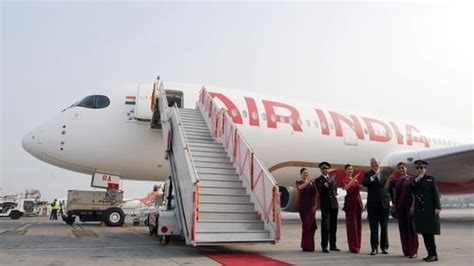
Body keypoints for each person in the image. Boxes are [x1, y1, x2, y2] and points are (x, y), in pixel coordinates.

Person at [411, 160, 441, 262]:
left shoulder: (430, 179)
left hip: (429, 209)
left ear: (425, 169)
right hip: (420, 210)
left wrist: (437, 207)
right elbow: (411, 190)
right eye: (418, 168)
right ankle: (431, 254)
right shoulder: (415, 180)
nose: (420, 170)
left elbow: (435, 194)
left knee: (429, 233)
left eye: (422, 168)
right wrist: (417, 180)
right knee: (424, 233)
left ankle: (433, 254)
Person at [388, 162, 418, 258]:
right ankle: (406, 251)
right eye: (399, 168)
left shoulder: (411, 179)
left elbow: (415, 194)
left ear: (406, 169)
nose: (401, 169)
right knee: (403, 229)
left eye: (403, 168)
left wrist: (413, 206)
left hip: (409, 207)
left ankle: (413, 251)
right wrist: (391, 176)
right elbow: (385, 188)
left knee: (412, 229)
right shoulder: (396, 181)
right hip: (400, 208)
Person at [362, 158, 391, 255]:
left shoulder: (385, 174)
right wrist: (373, 177)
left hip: (384, 204)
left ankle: (384, 247)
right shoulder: (368, 174)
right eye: (373, 163)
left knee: (384, 226)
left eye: (376, 163)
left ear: (379, 164)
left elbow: (390, 189)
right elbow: (365, 183)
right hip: (373, 204)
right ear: (371, 165)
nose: (375, 164)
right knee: (373, 227)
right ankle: (374, 248)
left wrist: (394, 202)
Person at [315, 162, 339, 253]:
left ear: (329, 169)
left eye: (326, 168)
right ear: (321, 170)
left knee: (333, 226)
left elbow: (334, 189)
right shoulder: (318, 180)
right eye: (323, 168)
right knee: (325, 226)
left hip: (334, 204)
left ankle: (333, 245)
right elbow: (320, 189)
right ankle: (324, 246)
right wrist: (328, 182)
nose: (325, 170)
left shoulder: (332, 179)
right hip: (325, 205)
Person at [339, 164, 363, 253]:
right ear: (345, 171)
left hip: (357, 203)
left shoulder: (356, 180)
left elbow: (358, 192)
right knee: (351, 226)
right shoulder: (344, 180)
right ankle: (353, 246)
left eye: (351, 169)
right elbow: (346, 188)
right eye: (348, 169)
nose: (350, 171)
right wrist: (353, 179)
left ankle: (358, 246)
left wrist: (361, 203)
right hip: (350, 204)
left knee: (358, 225)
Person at [296, 168, 318, 252]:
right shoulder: (299, 182)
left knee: (312, 226)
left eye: (307, 173)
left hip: (311, 207)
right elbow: (300, 188)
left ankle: (308, 245)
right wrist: (308, 182)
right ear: (301, 174)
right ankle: (306, 246)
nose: (306, 174)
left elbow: (316, 194)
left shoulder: (313, 184)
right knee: (306, 226)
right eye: (304, 173)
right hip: (303, 207)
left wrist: (316, 205)